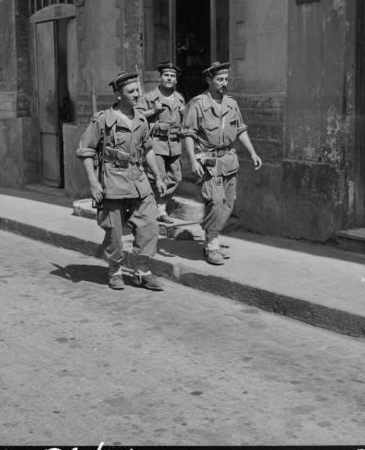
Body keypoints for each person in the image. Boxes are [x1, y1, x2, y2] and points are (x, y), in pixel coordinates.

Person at [76, 71, 167, 291]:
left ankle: (142, 270)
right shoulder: (102, 120)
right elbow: (85, 151)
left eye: (138, 90)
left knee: (149, 225)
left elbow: (147, 150)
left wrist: (158, 176)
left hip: (138, 180)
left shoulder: (141, 118)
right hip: (112, 180)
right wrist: (93, 183)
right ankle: (115, 270)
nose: (137, 94)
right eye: (131, 91)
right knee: (114, 233)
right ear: (118, 94)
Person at [181, 61, 262, 265]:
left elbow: (240, 129)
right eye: (219, 79)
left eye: (226, 79)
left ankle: (211, 235)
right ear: (209, 80)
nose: (224, 83)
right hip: (208, 161)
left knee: (228, 203)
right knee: (215, 202)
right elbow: (188, 134)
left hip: (228, 160)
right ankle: (212, 244)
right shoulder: (197, 104)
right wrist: (192, 160)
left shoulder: (231, 104)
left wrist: (252, 152)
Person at [136, 62, 186, 224]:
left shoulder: (180, 98)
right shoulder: (150, 97)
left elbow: (184, 121)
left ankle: (159, 207)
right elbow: (136, 117)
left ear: (176, 80)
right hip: (156, 143)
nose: (169, 78)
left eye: (172, 76)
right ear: (160, 78)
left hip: (175, 144)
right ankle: (157, 210)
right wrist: (153, 111)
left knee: (175, 177)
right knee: (157, 177)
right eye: (166, 75)